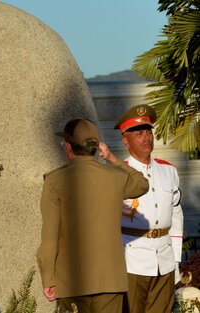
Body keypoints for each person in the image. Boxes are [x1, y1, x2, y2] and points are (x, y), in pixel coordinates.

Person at [37, 118, 149, 313]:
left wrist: (48, 278)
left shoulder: (55, 181)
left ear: (68, 147)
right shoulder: (114, 176)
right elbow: (141, 184)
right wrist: (113, 159)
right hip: (109, 281)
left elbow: (50, 236)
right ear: (97, 148)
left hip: (72, 279)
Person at [114, 104, 183, 313]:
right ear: (125, 140)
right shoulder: (117, 173)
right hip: (132, 261)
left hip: (165, 259)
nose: (146, 138)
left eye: (148, 132)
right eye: (139, 134)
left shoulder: (168, 171)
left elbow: (176, 215)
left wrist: (176, 260)